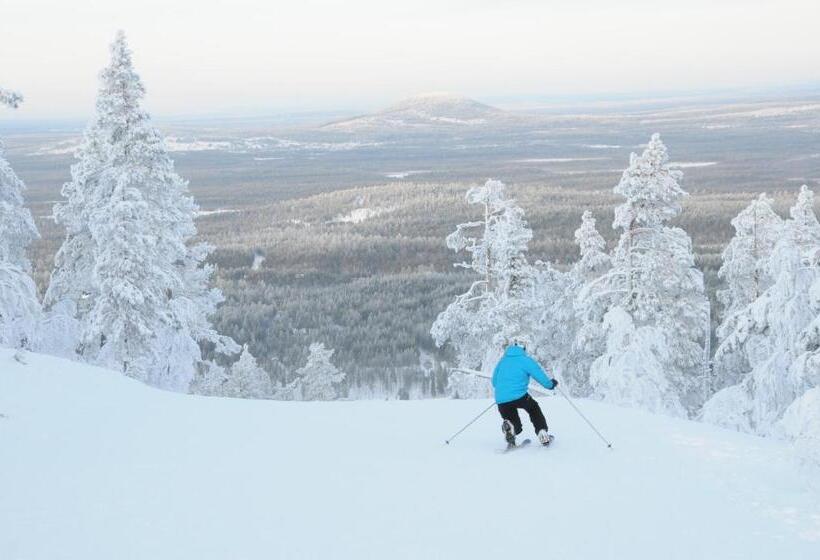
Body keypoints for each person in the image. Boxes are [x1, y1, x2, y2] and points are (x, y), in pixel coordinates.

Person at [491, 341, 558, 447]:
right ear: (523, 349)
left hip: (501, 399)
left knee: (513, 423)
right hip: (520, 396)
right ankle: (541, 431)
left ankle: (510, 430)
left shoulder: (502, 361)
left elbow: (494, 382)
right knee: (533, 408)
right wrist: (550, 385)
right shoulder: (525, 360)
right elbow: (538, 374)